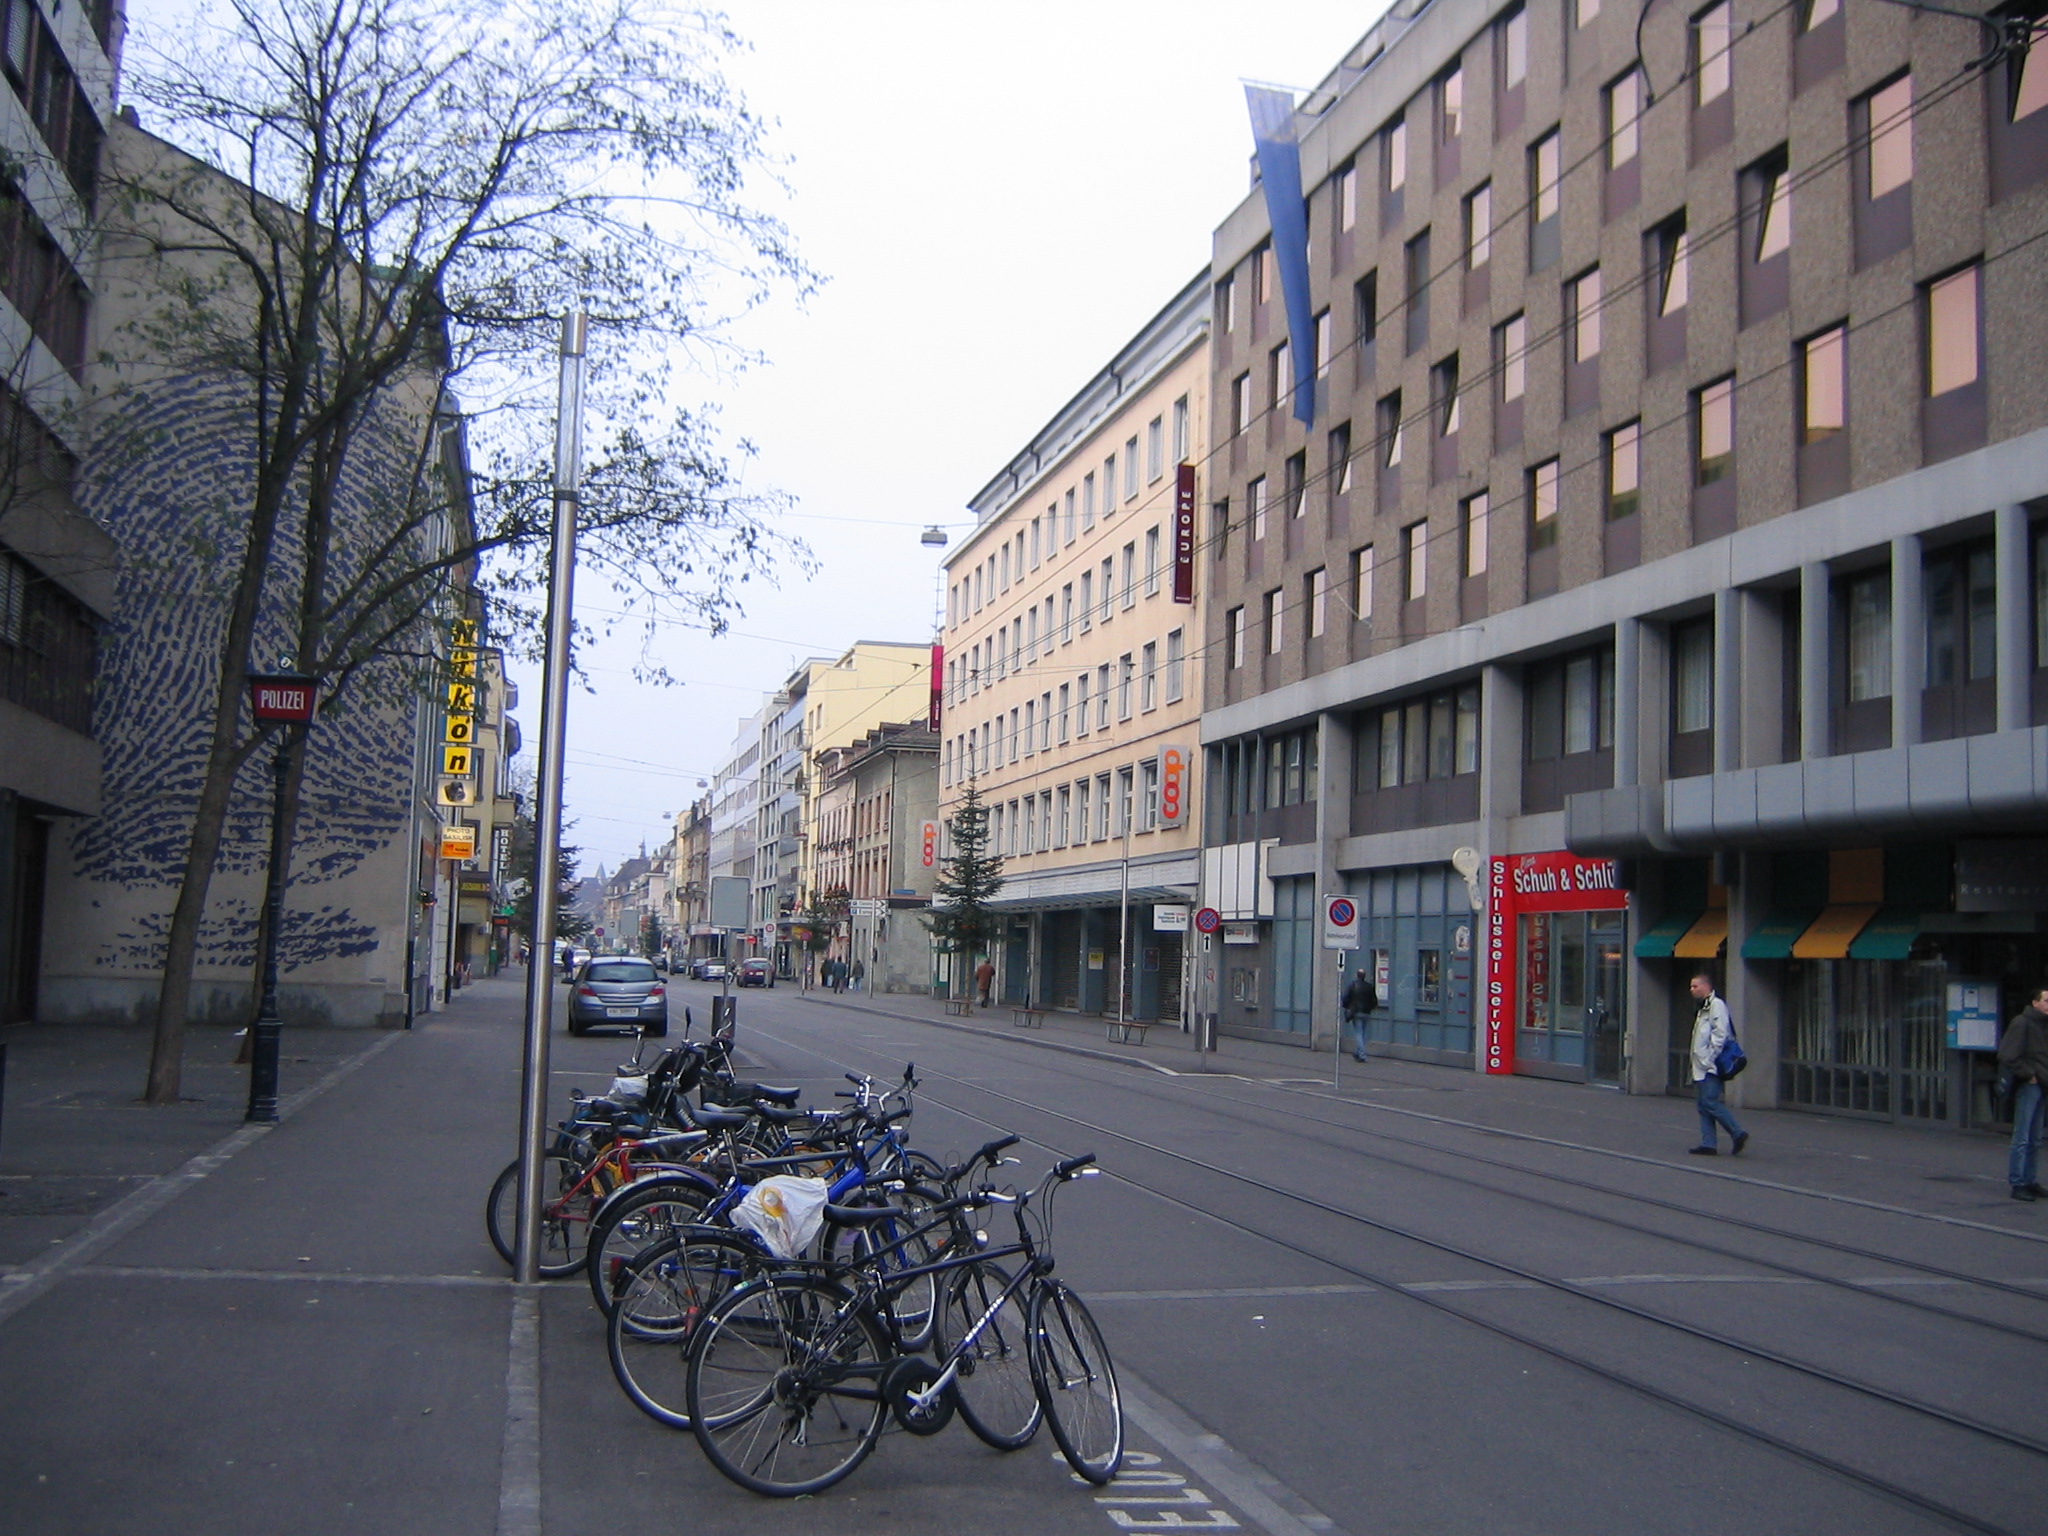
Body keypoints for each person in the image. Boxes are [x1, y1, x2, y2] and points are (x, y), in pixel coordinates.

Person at [1686, 972, 1747, 1156]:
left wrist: (1709, 1059)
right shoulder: (1704, 1007)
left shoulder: (1716, 1005)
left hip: (1710, 1066)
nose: (1692, 990)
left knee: (1710, 1101)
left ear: (1706, 986)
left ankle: (1737, 1132)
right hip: (1701, 1066)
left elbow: (1721, 1034)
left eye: (1695, 986)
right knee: (1703, 1105)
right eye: (1691, 986)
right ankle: (1709, 1143)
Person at [1997, 987, 2048, 1201]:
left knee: (2035, 1137)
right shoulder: (2022, 1023)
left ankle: (2030, 1180)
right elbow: (2007, 1055)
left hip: (2043, 1084)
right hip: (2030, 1084)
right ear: (2035, 1002)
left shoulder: (2044, 1025)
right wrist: (2029, 1074)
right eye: (2046, 1001)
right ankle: (2017, 1182)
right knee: (2022, 1136)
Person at [1341, 965, 1379, 1062]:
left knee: (1358, 1033)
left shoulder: (1352, 985)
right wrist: (1370, 1008)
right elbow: (1374, 1001)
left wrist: (1347, 1007)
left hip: (1356, 1012)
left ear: (1357, 975)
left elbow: (1345, 998)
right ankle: (1358, 1052)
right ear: (1364, 976)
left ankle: (1362, 1054)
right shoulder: (1369, 986)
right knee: (1363, 1033)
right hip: (1366, 1012)